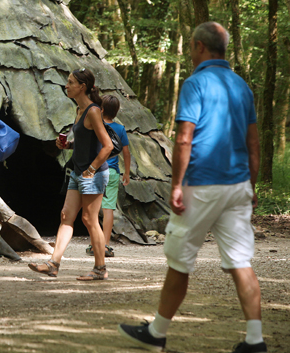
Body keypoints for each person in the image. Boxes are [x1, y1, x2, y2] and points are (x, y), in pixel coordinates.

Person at [118, 22, 265, 353]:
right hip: (238, 184)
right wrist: (251, 186)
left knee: (180, 260)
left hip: (202, 184)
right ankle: (255, 341)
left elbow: (184, 138)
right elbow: (254, 145)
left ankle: (157, 333)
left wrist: (177, 185)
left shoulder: (196, 83)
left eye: (190, 46)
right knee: (241, 262)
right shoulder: (242, 87)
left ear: (200, 47)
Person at [28, 68, 113, 280]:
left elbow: (107, 146)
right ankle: (53, 264)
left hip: (92, 174)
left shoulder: (93, 111)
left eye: (70, 82)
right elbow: (87, 142)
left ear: (82, 87)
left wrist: (91, 169)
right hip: (77, 172)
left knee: (89, 219)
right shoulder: (79, 110)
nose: (66, 85)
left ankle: (100, 269)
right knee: (66, 216)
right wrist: (68, 145)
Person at [85, 94, 130, 258]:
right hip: (112, 172)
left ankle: (93, 244)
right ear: (117, 111)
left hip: (96, 171)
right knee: (108, 208)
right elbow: (126, 152)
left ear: (101, 109)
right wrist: (127, 172)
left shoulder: (96, 126)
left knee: (93, 210)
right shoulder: (120, 129)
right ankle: (106, 245)